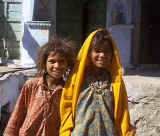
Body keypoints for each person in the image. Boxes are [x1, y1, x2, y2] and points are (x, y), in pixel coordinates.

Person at [60, 28, 136, 136]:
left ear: (112, 54)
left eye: (106, 51)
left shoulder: (115, 82)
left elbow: (123, 111)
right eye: (98, 51)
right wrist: (66, 132)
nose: (102, 55)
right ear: (89, 53)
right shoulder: (77, 78)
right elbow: (66, 106)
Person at [3, 36, 76, 136]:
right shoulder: (32, 85)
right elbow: (17, 116)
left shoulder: (68, 91)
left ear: (68, 64)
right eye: (52, 61)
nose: (57, 66)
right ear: (44, 63)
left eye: (62, 61)